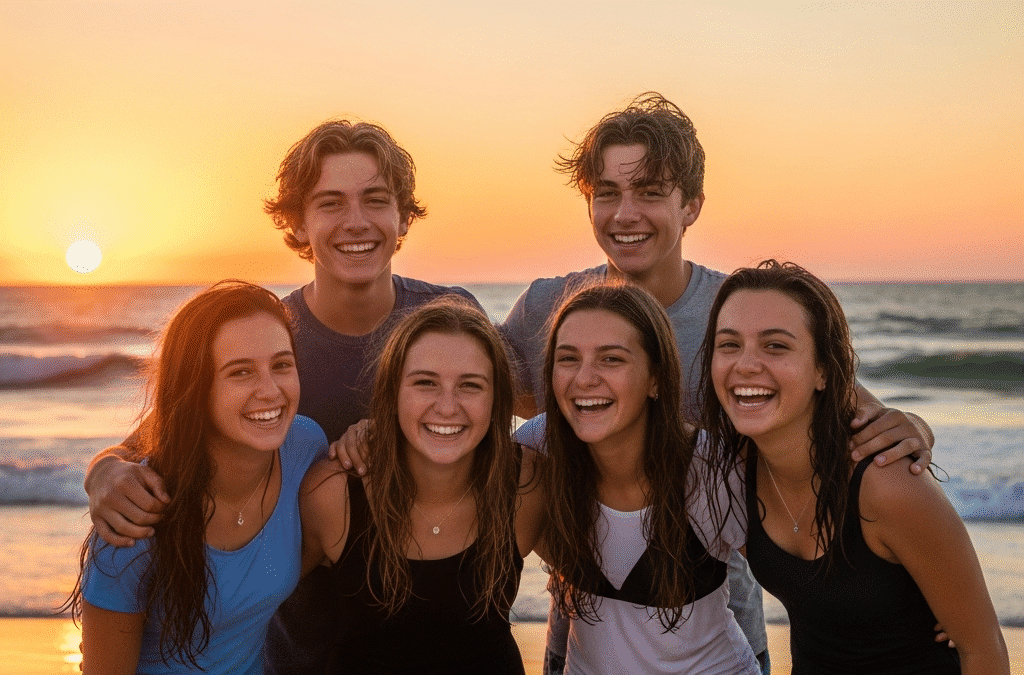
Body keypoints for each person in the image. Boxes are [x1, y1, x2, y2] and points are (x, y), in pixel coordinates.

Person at [499, 92, 937, 674]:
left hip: (721, 629)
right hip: (585, 628)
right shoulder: (549, 310)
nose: (625, 214)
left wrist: (915, 426)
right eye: (607, 193)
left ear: (692, 205)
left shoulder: (736, 314)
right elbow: (460, 407)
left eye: (651, 192)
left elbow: (845, 418)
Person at [81, 119, 483, 673]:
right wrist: (104, 472)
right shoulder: (272, 339)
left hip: (440, 632)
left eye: (376, 200)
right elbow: (163, 434)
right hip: (305, 649)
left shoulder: (447, 320)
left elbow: (491, 446)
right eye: (329, 203)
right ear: (297, 221)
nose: (356, 222)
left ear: (402, 215)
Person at [698, 260, 1009, 675]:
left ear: (824, 370)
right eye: (729, 345)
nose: (746, 365)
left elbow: (983, 649)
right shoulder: (736, 469)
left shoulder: (885, 483)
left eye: (776, 346)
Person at [64, 281, 327, 674]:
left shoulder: (305, 445)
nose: (271, 390)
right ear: (196, 387)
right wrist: (103, 466)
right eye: (240, 372)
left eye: (281, 364)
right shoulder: (134, 521)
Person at [300, 298, 546, 674]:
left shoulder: (526, 486)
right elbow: (242, 599)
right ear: (392, 393)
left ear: (496, 399)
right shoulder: (333, 494)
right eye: (425, 383)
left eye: (471, 385)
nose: (447, 407)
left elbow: (603, 572)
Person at [541, 282, 757, 674]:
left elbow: (811, 586)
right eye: (568, 358)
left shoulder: (709, 471)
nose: (584, 378)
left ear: (655, 378)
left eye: (611, 359)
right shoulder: (539, 451)